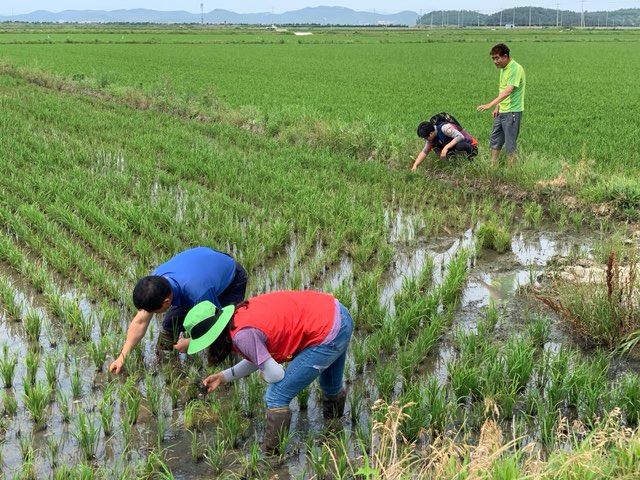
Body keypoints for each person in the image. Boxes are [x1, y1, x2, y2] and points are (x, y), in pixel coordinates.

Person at [183, 290, 353, 453]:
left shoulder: (242, 336)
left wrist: (266, 374)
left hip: (326, 332)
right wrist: (223, 376)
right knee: (330, 386)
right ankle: (334, 433)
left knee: (276, 395)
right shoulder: (239, 317)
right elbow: (258, 357)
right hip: (338, 315)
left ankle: (272, 456)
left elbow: (276, 374)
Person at [108, 246, 247, 374]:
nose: (153, 314)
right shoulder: (155, 285)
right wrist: (122, 357)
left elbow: (218, 327)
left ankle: (226, 372)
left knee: (226, 331)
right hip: (200, 271)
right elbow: (139, 323)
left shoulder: (199, 294)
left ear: (167, 302)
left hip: (231, 279)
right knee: (170, 326)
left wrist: (190, 343)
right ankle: (167, 367)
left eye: (155, 312)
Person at [477, 43, 526, 165]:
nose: (495, 61)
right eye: (493, 59)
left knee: (510, 143)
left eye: (497, 58)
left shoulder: (515, 68)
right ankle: (493, 165)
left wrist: (489, 104)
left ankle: (510, 170)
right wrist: (497, 107)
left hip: (512, 111)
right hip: (501, 111)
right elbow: (502, 89)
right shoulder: (503, 69)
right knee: (495, 139)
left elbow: (508, 91)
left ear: (505, 57)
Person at [411, 118, 478, 172]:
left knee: (459, 146)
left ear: (431, 133)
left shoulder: (444, 128)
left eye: (425, 138)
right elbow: (425, 151)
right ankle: (454, 163)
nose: (425, 139)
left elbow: (460, 136)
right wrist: (415, 165)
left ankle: (471, 160)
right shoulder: (431, 138)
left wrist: (446, 147)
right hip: (455, 147)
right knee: (436, 146)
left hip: (469, 145)